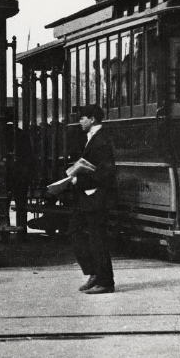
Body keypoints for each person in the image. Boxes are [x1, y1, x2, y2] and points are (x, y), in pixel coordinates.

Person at [69, 104, 117, 295]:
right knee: (74, 231)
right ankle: (94, 272)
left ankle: (105, 281)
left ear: (92, 120)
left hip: (97, 197)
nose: (80, 121)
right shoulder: (92, 138)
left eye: (82, 118)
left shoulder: (101, 141)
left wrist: (77, 179)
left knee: (98, 239)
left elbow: (106, 174)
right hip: (88, 197)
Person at [3, 107, 37, 233]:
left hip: (6, 174)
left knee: (4, 204)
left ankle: (4, 234)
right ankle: (22, 233)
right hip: (21, 175)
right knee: (21, 204)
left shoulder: (0, 133)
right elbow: (29, 156)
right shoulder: (22, 134)